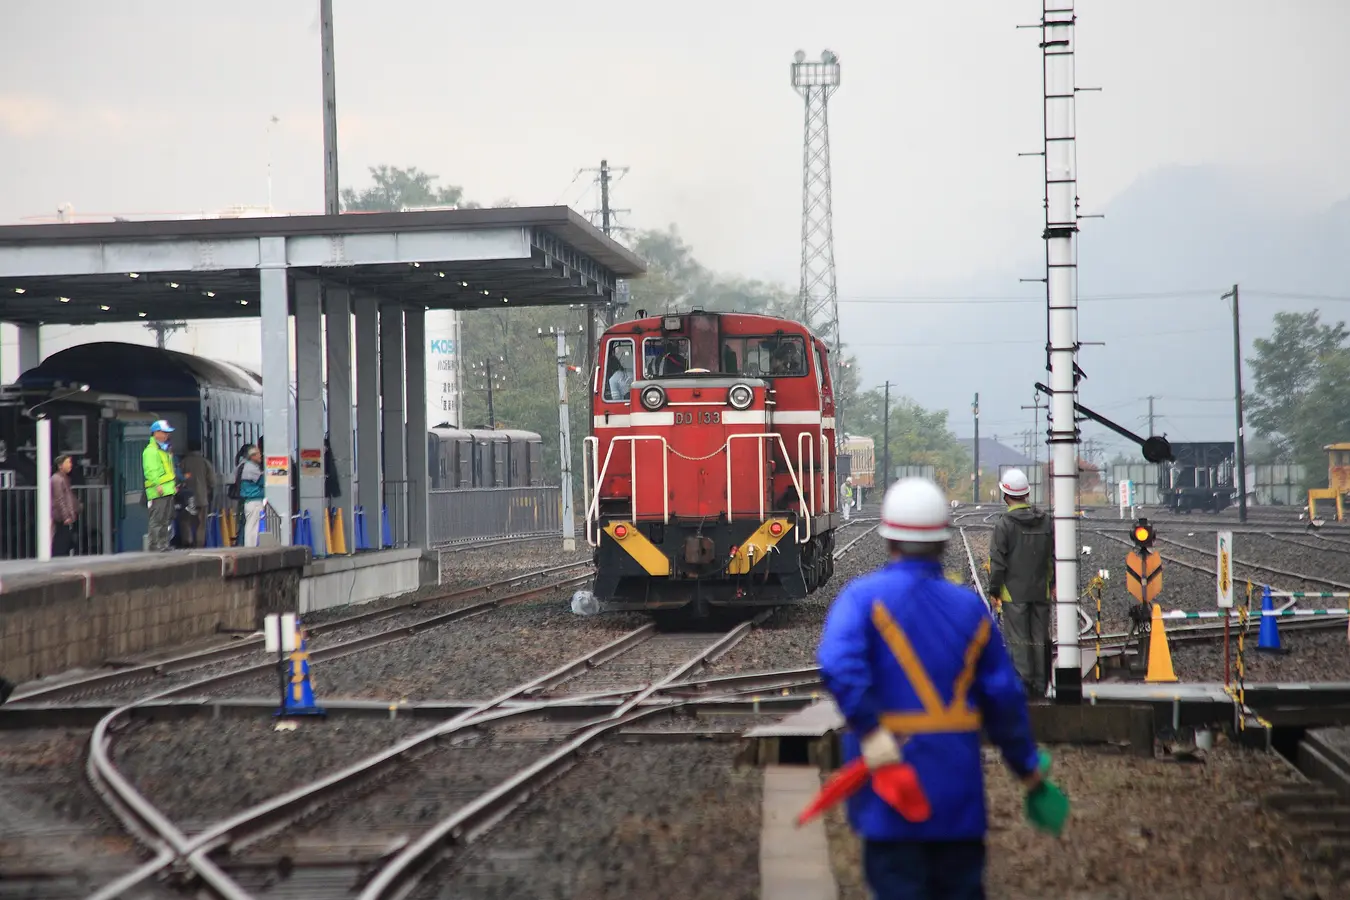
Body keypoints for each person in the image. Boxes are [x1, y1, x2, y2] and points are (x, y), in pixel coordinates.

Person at [817, 477, 1069, 899]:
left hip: (888, 789)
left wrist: (871, 730)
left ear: (888, 539)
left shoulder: (862, 599)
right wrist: (1027, 769)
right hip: (957, 793)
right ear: (943, 541)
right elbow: (1003, 700)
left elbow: (838, 664)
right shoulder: (969, 609)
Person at [986, 468, 1055, 699]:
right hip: (1041, 591)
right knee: (1039, 638)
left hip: (1013, 593)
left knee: (1018, 640)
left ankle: (1024, 688)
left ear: (1005, 494)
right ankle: (1041, 686)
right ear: (1026, 493)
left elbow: (998, 562)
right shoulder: (1045, 521)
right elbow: (1053, 556)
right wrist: (1052, 584)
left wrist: (993, 590)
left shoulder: (1004, 525)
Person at [143, 420, 178, 552]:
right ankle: (154, 544)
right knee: (157, 518)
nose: (166, 435)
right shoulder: (151, 451)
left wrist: (173, 485)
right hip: (158, 490)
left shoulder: (164, 449)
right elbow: (150, 471)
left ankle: (163, 543)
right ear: (155, 433)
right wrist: (157, 485)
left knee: (166, 518)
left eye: (167, 433)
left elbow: (169, 470)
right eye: (164, 432)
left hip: (168, 489)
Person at [177, 441, 216, 548]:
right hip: (202, 497)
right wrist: (209, 490)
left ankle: (187, 541)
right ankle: (199, 543)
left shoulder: (183, 462)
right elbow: (212, 480)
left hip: (187, 498)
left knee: (186, 521)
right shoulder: (205, 462)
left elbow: (177, 478)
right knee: (201, 523)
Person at [50, 454, 79, 557]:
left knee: (66, 540)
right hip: (61, 518)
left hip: (66, 516)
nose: (70, 465)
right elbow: (60, 499)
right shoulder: (57, 479)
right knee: (61, 542)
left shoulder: (64, 478)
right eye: (68, 462)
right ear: (60, 465)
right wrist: (66, 516)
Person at [237, 444, 266, 547]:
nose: (260, 456)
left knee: (250, 525)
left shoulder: (245, 465)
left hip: (249, 501)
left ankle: (249, 546)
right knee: (252, 526)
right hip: (254, 500)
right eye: (258, 454)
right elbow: (263, 482)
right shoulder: (252, 468)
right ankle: (250, 548)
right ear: (252, 456)